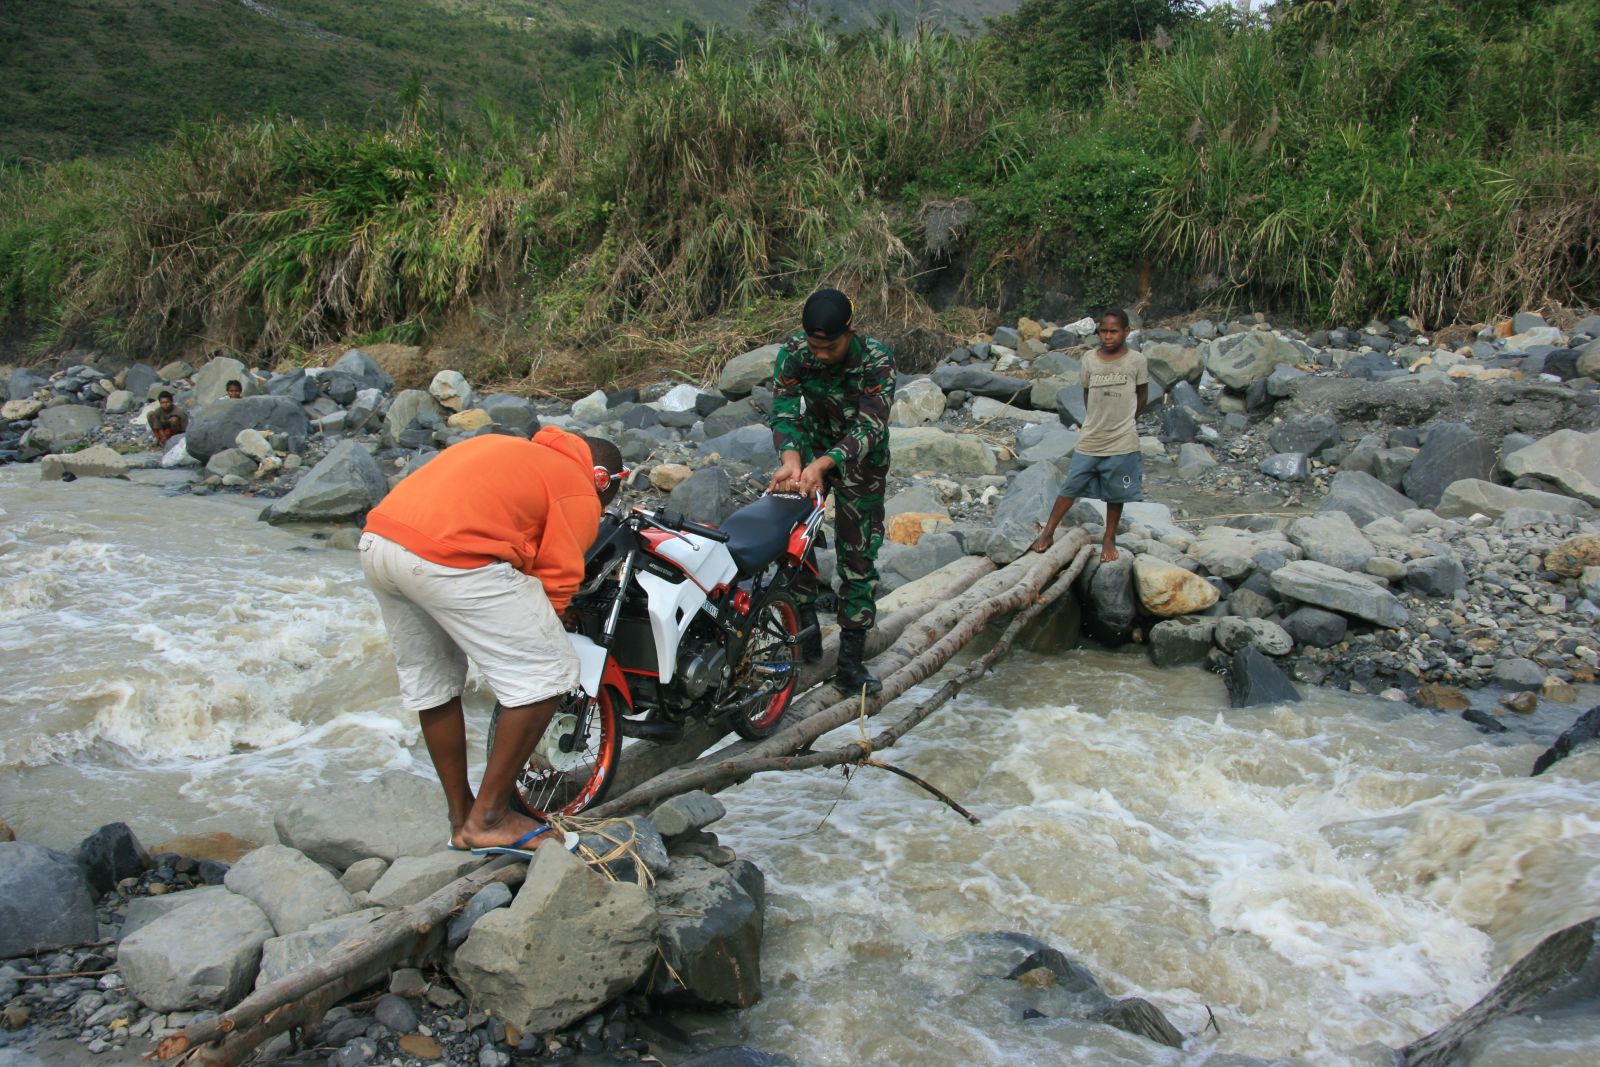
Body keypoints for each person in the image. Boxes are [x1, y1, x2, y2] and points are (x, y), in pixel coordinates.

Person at [359, 427, 627, 858]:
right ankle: (491, 820)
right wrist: (551, 625)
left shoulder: (503, 447)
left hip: (381, 543)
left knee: (435, 682)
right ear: (603, 480)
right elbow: (557, 581)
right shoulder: (575, 487)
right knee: (549, 672)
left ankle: (461, 819)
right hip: (446, 558)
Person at [766, 288, 895, 696]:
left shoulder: (876, 360)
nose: (820, 355)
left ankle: (850, 665)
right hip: (808, 455)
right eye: (815, 346)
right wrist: (791, 457)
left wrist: (826, 463)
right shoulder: (795, 353)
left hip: (861, 462)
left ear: (850, 332)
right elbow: (785, 407)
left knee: (858, 560)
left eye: (831, 347)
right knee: (796, 548)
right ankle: (805, 646)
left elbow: (871, 426)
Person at [1032, 309, 1149, 562]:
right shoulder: (1089, 359)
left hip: (1123, 439)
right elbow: (1087, 393)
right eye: (1103, 331)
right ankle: (1048, 531)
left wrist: (1129, 420)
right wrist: (1094, 418)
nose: (1107, 337)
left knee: (1116, 492)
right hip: (1092, 436)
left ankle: (1109, 537)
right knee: (1071, 485)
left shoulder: (1136, 361)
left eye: (1113, 331)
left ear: (1126, 332)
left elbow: (1142, 394)